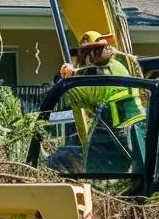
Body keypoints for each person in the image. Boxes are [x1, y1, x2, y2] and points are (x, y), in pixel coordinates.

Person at [59, 31, 146, 174]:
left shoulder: (108, 71)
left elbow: (86, 95)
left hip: (119, 132)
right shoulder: (112, 67)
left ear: (105, 48)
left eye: (95, 50)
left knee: (97, 173)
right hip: (121, 128)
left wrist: (67, 82)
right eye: (88, 52)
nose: (92, 55)